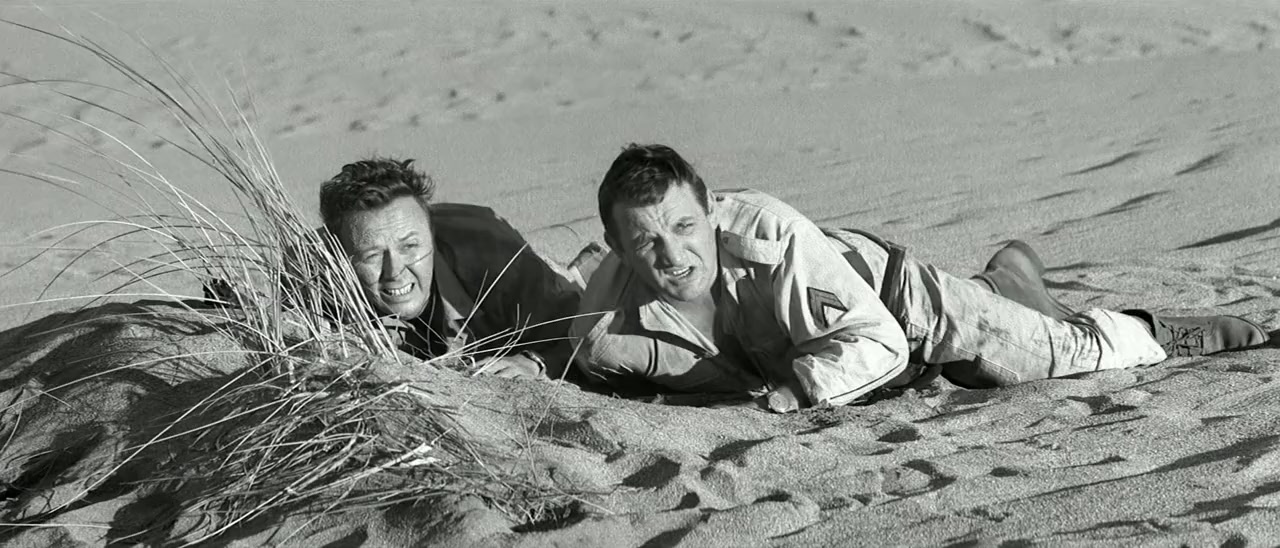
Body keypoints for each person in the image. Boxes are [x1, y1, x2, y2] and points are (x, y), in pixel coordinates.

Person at [570, 144, 1269, 411]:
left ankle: (1164, 331)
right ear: (618, 247)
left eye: (684, 226)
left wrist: (795, 391)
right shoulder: (604, 328)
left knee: (1065, 356)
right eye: (646, 240)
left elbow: (877, 342)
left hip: (904, 305)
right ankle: (1007, 282)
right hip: (847, 354)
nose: (673, 254)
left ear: (710, 208)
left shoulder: (769, 237)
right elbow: (572, 356)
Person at [317, 157, 590, 379]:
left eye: (410, 246)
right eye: (372, 255)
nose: (394, 271)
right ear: (339, 256)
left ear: (432, 235)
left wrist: (534, 363)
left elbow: (583, 329)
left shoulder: (490, 253)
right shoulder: (315, 280)